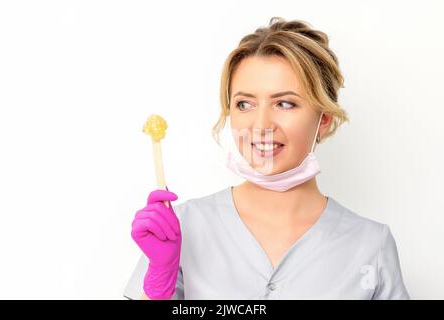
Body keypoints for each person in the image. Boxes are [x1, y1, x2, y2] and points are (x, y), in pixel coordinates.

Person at [124, 17, 410, 300]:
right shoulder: (182, 228)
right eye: (244, 104)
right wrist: (159, 283)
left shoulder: (371, 246)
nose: (261, 124)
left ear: (324, 119)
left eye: (285, 103)